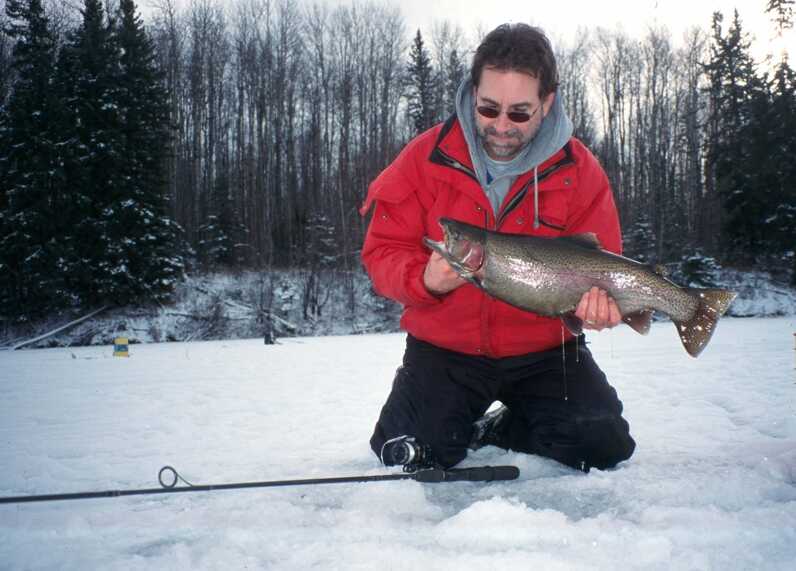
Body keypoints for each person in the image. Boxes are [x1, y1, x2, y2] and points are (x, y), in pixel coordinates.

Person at [359, 23, 635, 473]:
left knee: (602, 445)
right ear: (472, 94)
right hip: (446, 350)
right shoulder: (425, 158)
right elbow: (382, 251)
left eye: (519, 113)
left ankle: (502, 427)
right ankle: (453, 421)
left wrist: (597, 308)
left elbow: (604, 263)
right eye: (488, 108)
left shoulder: (580, 170)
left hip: (546, 352)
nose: (501, 126)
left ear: (546, 103)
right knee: (408, 452)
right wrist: (423, 280)